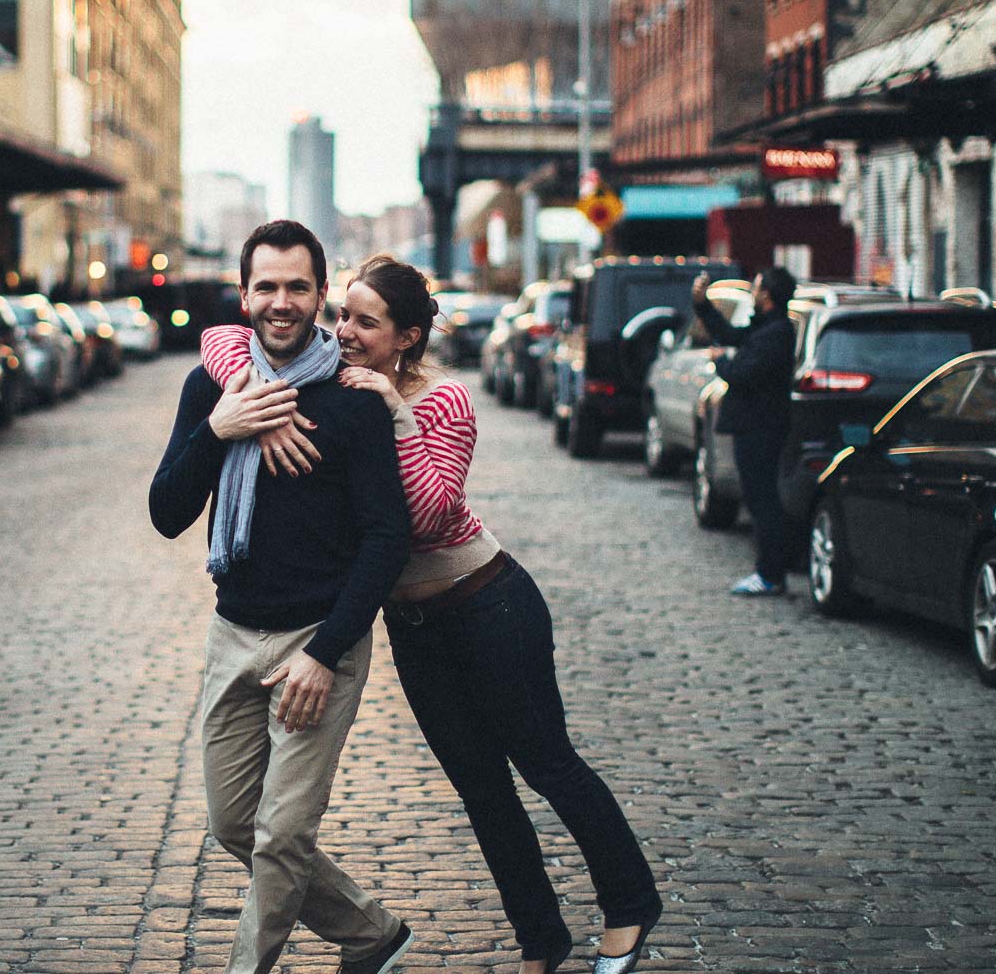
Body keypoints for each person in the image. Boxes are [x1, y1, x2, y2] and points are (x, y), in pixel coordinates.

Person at [200, 255, 663, 974]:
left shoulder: (443, 400)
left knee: (548, 765)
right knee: (482, 790)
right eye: (343, 315)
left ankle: (631, 904)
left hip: (488, 606)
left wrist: (396, 412)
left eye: (365, 322)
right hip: (415, 628)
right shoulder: (332, 377)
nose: (344, 332)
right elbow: (223, 338)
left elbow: (427, 513)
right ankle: (541, 941)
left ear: (407, 336)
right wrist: (251, 396)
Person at [149, 221, 416, 974]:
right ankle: (370, 934)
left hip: (318, 640)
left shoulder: (353, 399)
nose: (282, 302)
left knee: (282, 835)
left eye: (298, 286)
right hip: (233, 633)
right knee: (235, 824)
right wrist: (221, 428)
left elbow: (386, 539)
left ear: (321, 294)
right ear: (244, 296)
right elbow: (167, 512)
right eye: (266, 286)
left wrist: (325, 655)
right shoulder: (213, 388)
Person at [691, 266, 798, 596]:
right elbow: (730, 334)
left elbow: (741, 372)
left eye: (756, 287)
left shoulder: (776, 332)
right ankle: (769, 572)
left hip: (761, 428)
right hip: (755, 426)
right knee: (758, 498)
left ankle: (770, 574)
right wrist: (703, 305)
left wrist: (720, 361)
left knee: (762, 500)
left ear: (767, 295)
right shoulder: (765, 327)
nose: (752, 292)